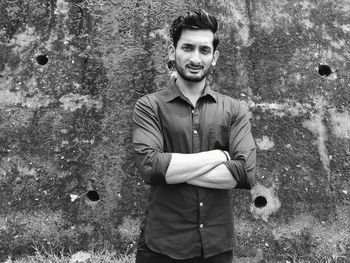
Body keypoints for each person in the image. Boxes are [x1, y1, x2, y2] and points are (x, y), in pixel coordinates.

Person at [132, 9, 256, 263]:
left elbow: (244, 173)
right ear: (172, 51)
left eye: (204, 50)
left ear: (215, 56)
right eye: (187, 48)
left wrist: (175, 171)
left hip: (216, 248)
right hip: (162, 246)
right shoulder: (149, 106)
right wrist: (219, 155)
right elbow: (151, 168)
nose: (195, 58)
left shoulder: (234, 109)